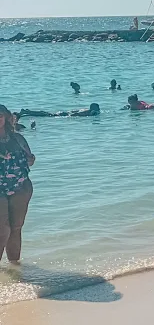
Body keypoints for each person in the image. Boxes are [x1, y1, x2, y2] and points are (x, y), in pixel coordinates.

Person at [0, 105, 34, 263]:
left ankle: (15, 269)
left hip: (20, 186)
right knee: (2, 230)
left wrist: (29, 159)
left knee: (16, 228)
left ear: (6, 117)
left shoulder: (17, 138)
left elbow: (31, 159)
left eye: (0, 115)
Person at [19, 102, 100, 118]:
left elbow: (75, 111)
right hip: (65, 115)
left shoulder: (85, 109)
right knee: (44, 114)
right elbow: (76, 114)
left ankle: (27, 111)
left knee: (44, 113)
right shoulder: (92, 112)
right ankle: (27, 112)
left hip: (65, 113)